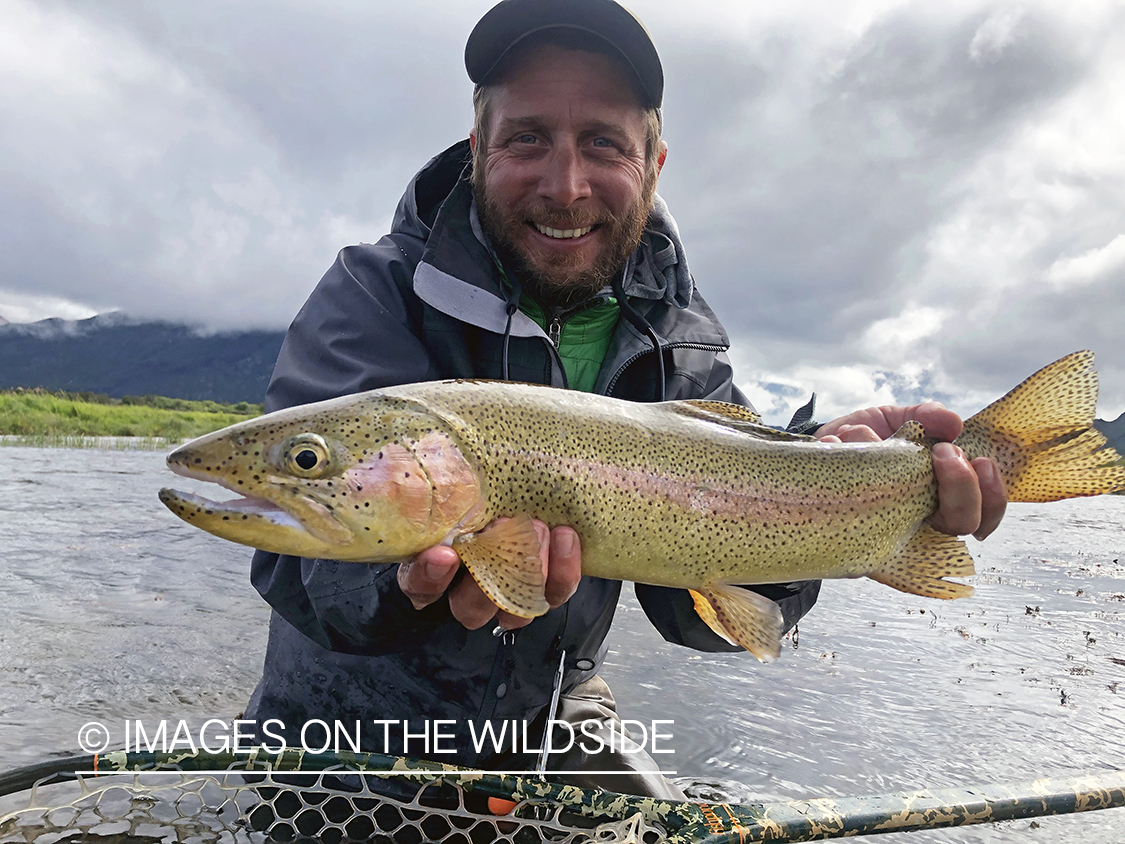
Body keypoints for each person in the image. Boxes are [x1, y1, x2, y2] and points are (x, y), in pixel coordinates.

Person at [243, 0, 1007, 800]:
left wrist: (838, 486)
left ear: (652, 164)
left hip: (551, 719)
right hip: (341, 734)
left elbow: (693, 618)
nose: (564, 185)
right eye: (527, 138)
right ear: (477, 150)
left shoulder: (679, 339)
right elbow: (297, 561)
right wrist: (403, 589)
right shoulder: (376, 292)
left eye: (602, 143)